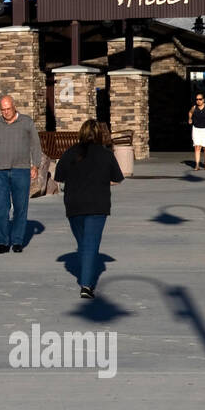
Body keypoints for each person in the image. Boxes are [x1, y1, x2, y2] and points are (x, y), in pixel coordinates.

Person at [54, 119, 124, 300]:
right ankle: (86, 285)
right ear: (99, 134)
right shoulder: (105, 154)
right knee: (90, 245)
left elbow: (59, 176)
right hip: (97, 205)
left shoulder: (70, 153)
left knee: (84, 244)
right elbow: (117, 178)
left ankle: (86, 275)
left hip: (74, 205)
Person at [0, 94, 42, 254]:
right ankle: (2, 242)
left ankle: (17, 241)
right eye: (2, 110)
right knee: (2, 207)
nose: (6, 112)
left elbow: (35, 145)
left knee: (20, 207)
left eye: (8, 109)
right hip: (0, 171)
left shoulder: (26, 122)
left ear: (14, 106)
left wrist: (35, 165)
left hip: (21, 170)